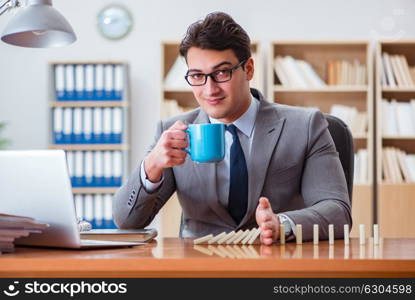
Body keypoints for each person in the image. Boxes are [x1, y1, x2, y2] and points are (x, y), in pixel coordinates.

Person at [113, 12, 351, 245]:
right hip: (201, 270)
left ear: (248, 69)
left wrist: (283, 224)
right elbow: (127, 222)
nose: (209, 89)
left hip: (277, 265)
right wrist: (152, 165)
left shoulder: (306, 126)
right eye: (197, 76)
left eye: (221, 72)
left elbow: (337, 211)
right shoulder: (174, 133)